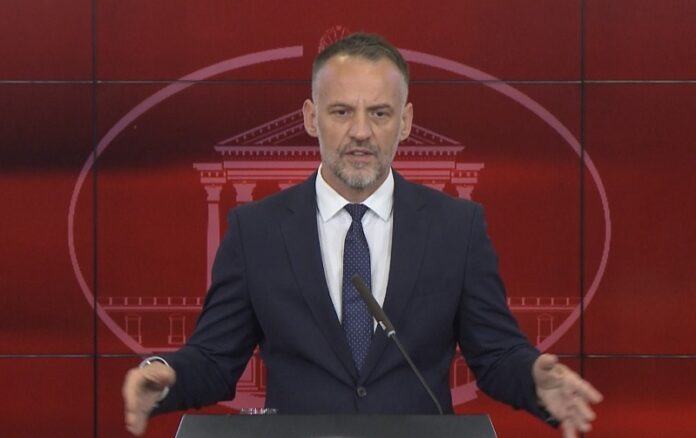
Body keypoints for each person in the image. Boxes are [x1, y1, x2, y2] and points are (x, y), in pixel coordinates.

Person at [123, 33, 602, 437]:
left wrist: (535, 380)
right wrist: (162, 376)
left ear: (405, 122)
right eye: (340, 112)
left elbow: (495, 354)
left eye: (379, 113)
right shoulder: (256, 230)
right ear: (311, 117)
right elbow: (214, 360)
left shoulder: (457, 228)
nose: (360, 132)